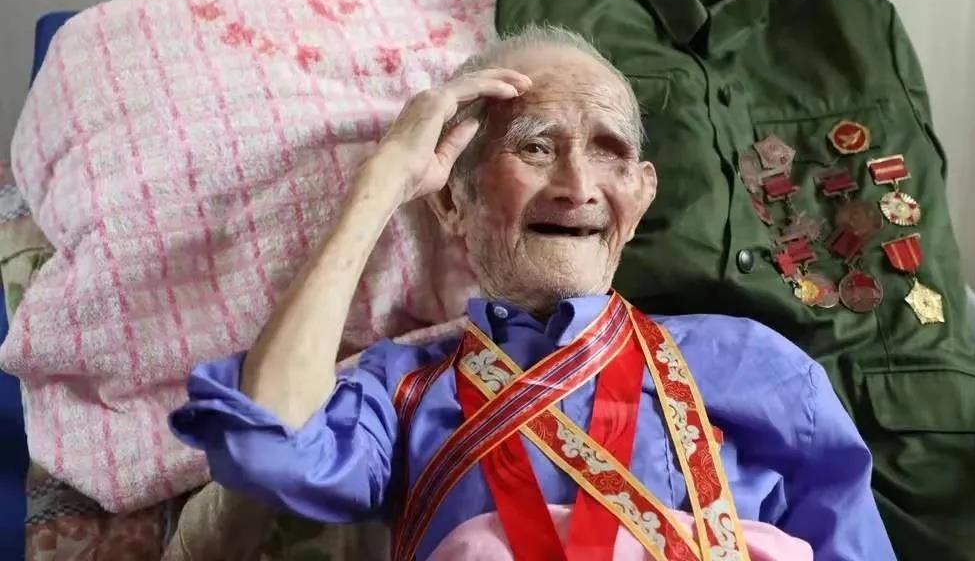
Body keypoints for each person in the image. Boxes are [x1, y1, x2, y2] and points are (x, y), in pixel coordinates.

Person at [170, 27, 896, 561]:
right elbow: (266, 444)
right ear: (451, 201)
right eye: (536, 147)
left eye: (609, 152)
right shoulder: (401, 390)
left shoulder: (757, 364)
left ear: (641, 195)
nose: (578, 186)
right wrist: (381, 182)